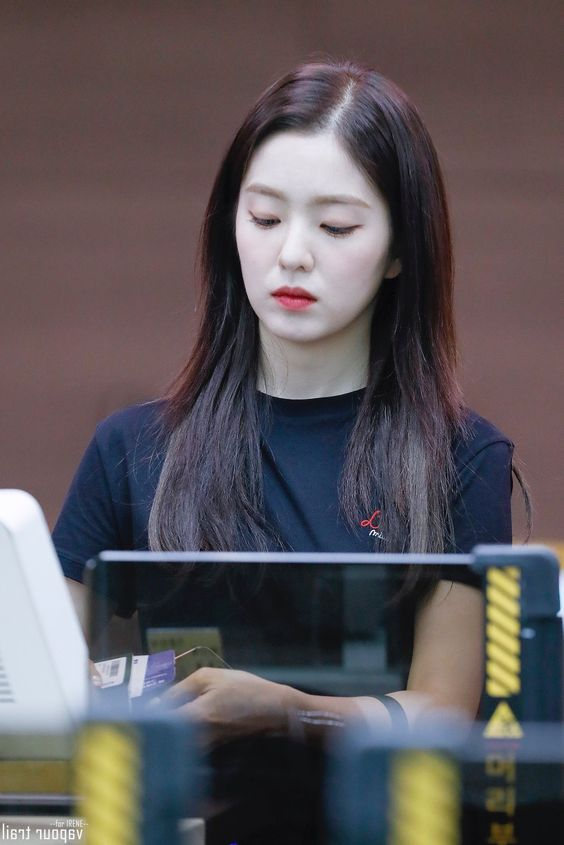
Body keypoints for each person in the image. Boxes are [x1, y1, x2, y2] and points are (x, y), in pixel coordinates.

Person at [53, 57, 528, 745]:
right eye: (266, 217)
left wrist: (288, 711)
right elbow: (44, 687)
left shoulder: (461, 457)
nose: (292, 254)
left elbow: (442, 711)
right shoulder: (131, 450)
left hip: (372, 805)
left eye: (335, 227)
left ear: (400, 250)